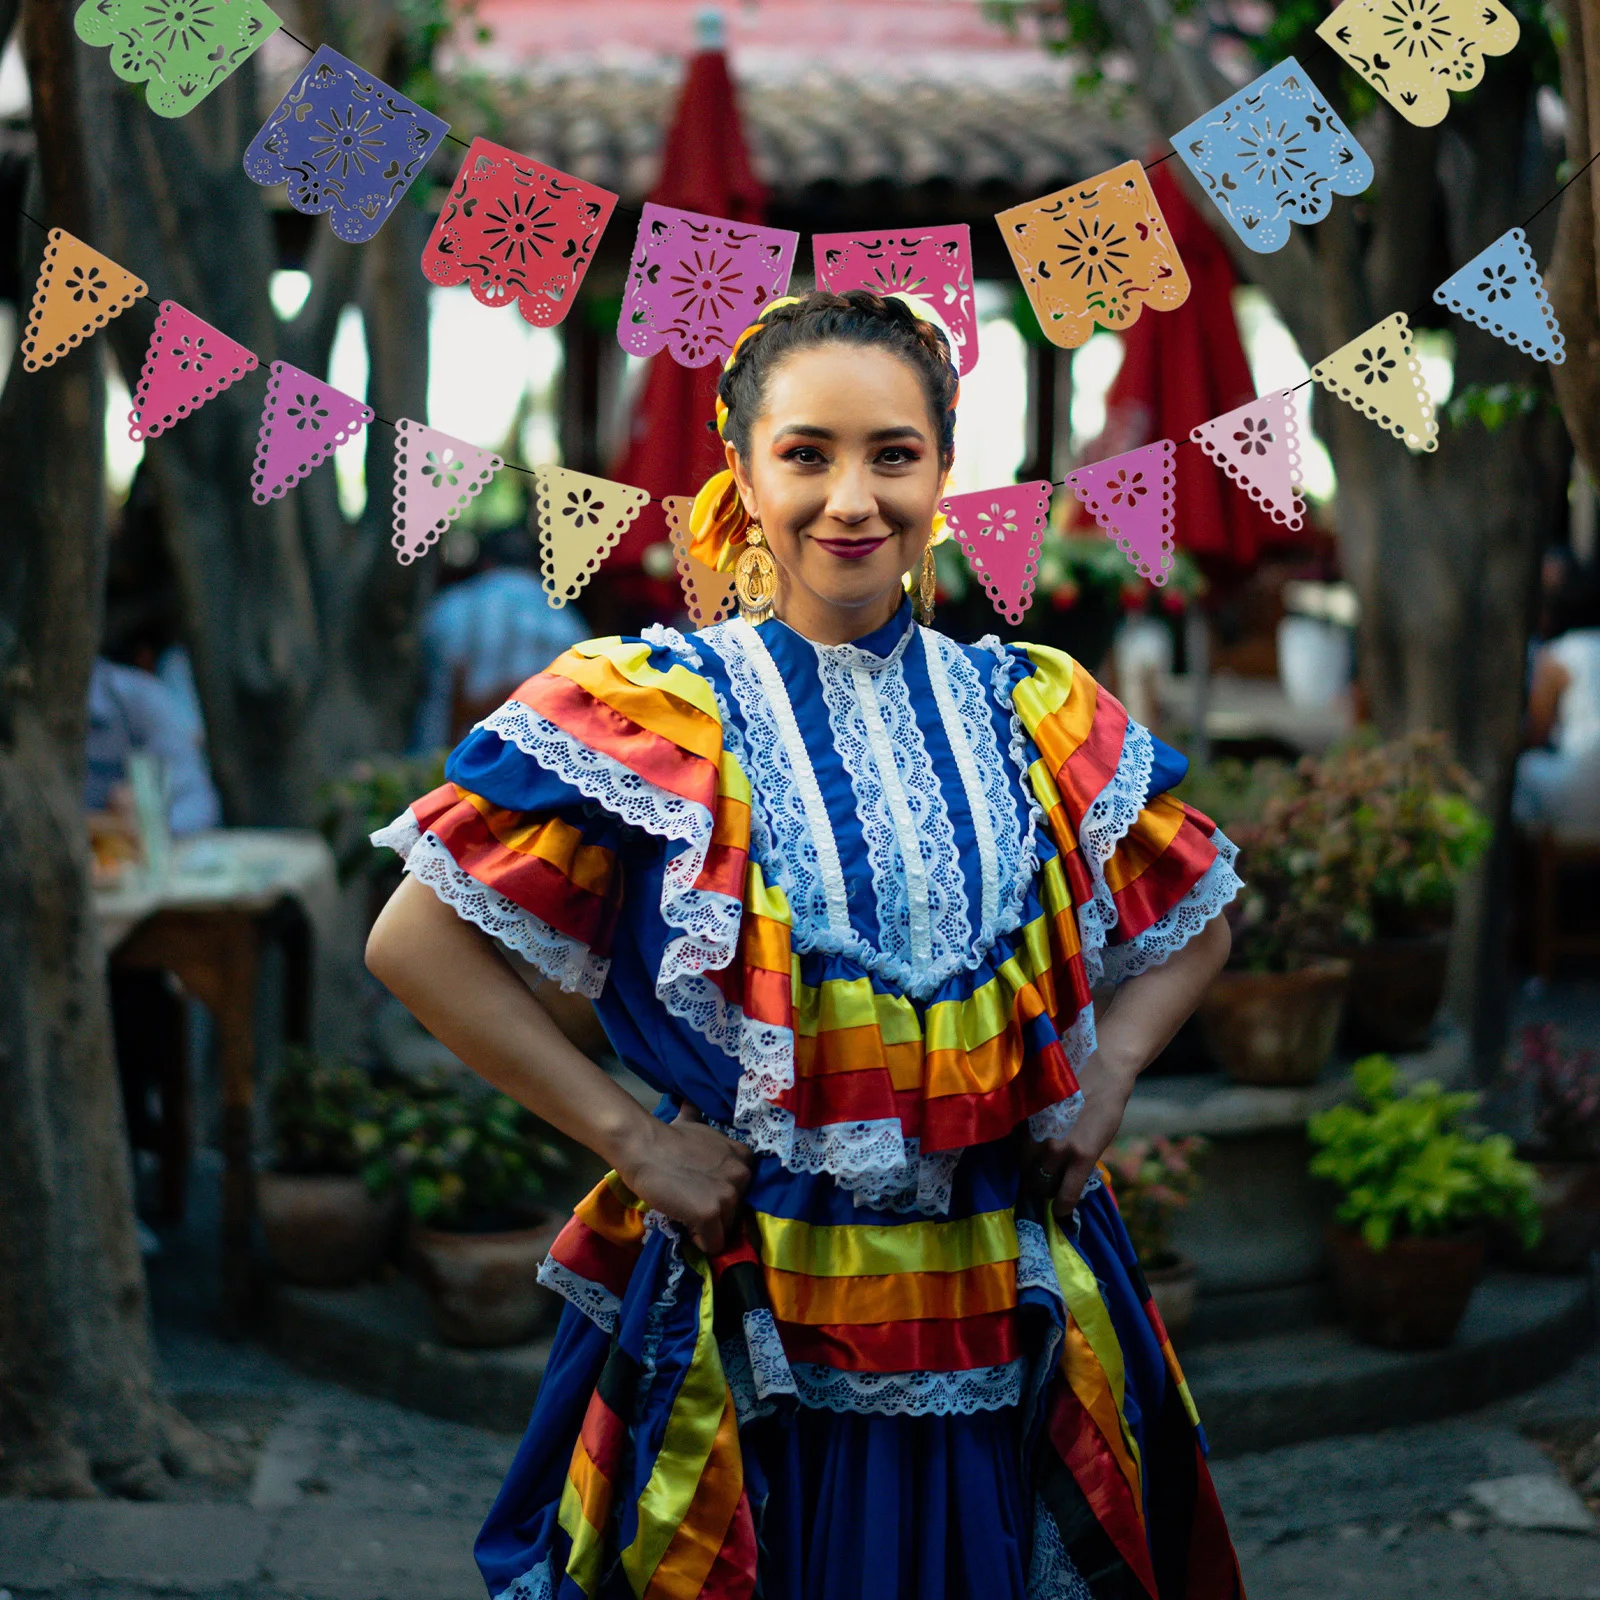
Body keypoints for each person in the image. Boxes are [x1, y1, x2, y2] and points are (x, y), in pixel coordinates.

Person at [366, 291, 1245, 1600]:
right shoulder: (650, 710)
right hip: (747, 1301)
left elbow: (1200, 917)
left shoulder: (1036, 708)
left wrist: (1107, 1076)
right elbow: (413, 941)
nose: (852, 498)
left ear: (947, 470)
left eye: (894, 453)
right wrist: (633, 1139)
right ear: (741, 469)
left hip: (993, 1290)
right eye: (807, 453)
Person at [412, 524, 589, 752]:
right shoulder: (568, 619)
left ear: (485, 562)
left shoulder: (452, 605)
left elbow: (426, 674)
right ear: (536, 565)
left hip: (445, 758)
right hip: (533, 763)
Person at [1514, 556, 1600, 839]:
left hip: (1584, 776)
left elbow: (1538, 731)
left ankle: (1533, 877)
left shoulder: (1554, 658)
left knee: (1523, 774)